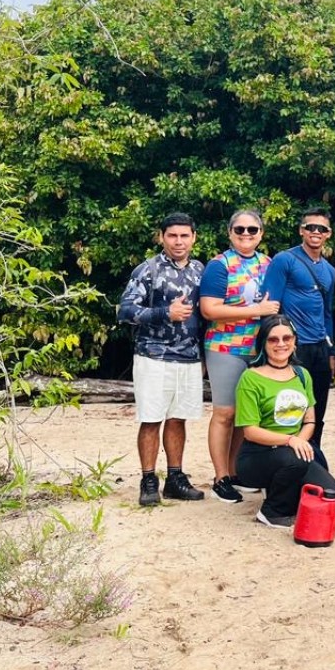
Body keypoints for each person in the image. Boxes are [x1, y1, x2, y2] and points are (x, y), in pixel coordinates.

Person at [117, 212, 207, 506]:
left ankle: (175, 479)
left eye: (184, 235)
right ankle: (148, 480)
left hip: (190, 357)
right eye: (172, 235)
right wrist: (163, 313)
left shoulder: (200, 270)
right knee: (151, 418)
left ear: (194, 237)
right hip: (153, 355)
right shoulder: (148, 270)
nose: (178, 241)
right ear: (161, 237)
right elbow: (125, 311)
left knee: (178, 419)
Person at [233, 316, 335, 528]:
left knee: (334, 501)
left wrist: (299, 442)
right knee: (295, 460)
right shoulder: (250, 377)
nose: (281, 344)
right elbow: (250, 431)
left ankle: (283, 489)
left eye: (287, 338)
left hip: (293, 452)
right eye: (273, 340)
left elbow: (310, 421)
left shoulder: (302, 374)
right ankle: (271, 512)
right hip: (258, 454)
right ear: (263, 343)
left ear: (295, 341)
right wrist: (291, 442)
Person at [199, 209, 280, 504]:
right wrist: (255, 311)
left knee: (244, 415)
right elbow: (210, 309)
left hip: (258, 348)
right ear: (230, 233)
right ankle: (220, 477)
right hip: (225, 347)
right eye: (240, 230)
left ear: (261, 233)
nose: (246, 235)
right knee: (224, 412)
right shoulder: (219, 265)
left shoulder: (268, 263)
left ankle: (235, 472)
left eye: (252, 230)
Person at [264, 207, 335, 460]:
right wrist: (276, 345)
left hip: (318, 345)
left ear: (329, 234)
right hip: (292, 345)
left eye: (322, 229)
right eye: (310, 227)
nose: (315, 232)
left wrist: (331, 350)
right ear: (301, 230)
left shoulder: (329, 269)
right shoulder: (285, 260)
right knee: (288, 406)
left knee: (317, 407)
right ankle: (284, 461)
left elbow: (327, 312)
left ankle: (312, 456)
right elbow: (270, 306)